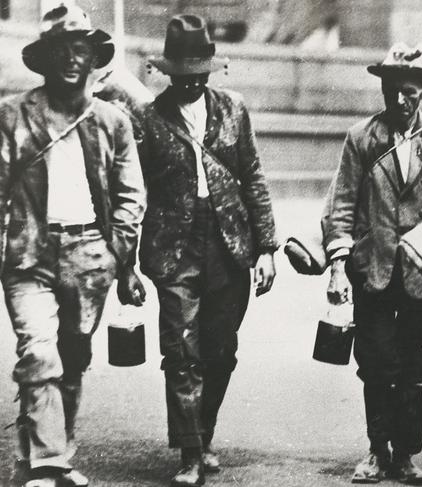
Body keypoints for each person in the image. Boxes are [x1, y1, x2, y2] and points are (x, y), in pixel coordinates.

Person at [118, 14, 278, 487]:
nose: (192, 82)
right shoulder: (146, 119)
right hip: (174, 248)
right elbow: (132, 190)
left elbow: (253, 177)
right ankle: (189, 452)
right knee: (181, 350)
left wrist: (266, 247)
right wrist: (126, 260)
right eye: (183, 74)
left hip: (230, 244)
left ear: (210, 70)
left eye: (199, 73)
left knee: (221, 349)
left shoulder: (234, 108)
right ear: (169, 72)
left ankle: (203, 434)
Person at [0, 5, 145, 487]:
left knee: (71, 358)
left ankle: (39, 456)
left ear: (92, 58)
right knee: (39, 351)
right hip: (30, 255)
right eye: (61, 50)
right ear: (44, 58)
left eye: (80, 50)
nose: (71, 60)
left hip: (90, 254)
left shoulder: (111, 121)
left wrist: (113, 252)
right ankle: (50, 463)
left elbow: (131, 196)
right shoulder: (13, 115)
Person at [322, 42, 422, 485]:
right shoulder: (362, 138)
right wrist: (337, 266)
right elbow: (342, 205)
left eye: (410, 91)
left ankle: (406, 455)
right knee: (375, 363)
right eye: (393, 89)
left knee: (413, 366)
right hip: (372, 270)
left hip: (420, 272)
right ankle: (376, 450)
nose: (400, 99)